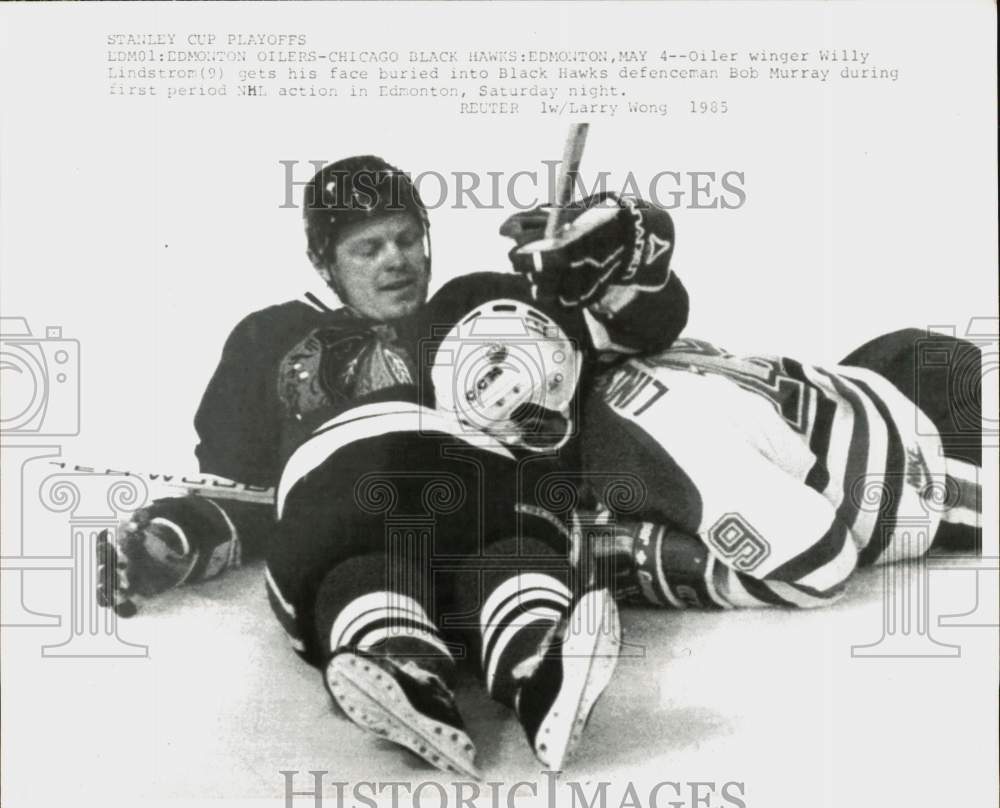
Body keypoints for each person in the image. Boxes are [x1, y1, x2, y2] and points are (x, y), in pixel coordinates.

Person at [96, 157, 692, 775]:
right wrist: (173, 536)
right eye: (368, 247)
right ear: (325, 263)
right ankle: (400, 671)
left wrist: (594, 270)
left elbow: (641, 330)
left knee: (515, 547)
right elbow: (239, 488)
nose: (396, 260)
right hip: (340, 511)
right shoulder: (270, 339)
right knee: (351, 570)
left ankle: (540, 663)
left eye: (408, 238)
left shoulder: (482, 306)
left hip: (485, 495)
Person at [560, 331, 983, 610]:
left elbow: (822, 562)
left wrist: (652, 566)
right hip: (897, 373)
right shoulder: (613, 352)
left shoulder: (632, 438)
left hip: (943, 463)